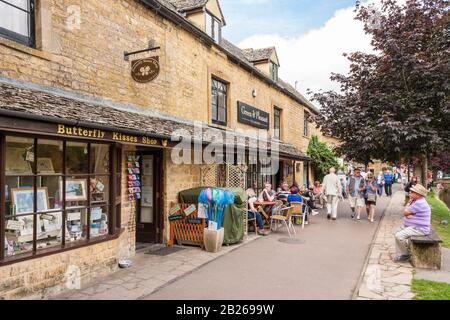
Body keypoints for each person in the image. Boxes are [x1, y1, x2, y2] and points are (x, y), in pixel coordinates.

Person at [394, 184, 431, 262]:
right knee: (396, 231)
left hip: (420, 229)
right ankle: (403, 251)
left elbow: (404, 212)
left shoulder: (419, 203)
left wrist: (408, 213)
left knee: (399, 236)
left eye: (412, 192)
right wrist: (408, 213)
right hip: (414, 226)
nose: (410, 192)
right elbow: (405, 213)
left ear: (418, 194)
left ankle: (405, 255)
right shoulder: (416, 201)